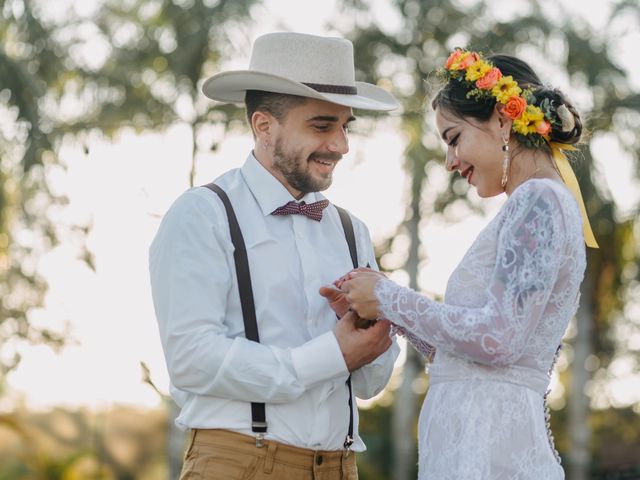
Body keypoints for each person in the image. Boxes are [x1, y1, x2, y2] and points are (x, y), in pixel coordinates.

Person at [336, 49, 599, 479]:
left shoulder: (539, 200)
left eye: (454, 137)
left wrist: (387, 297)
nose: (450, 161)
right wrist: (382, 309)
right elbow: (470, 351)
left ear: (501, 119)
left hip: (489, 446)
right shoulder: (532, 203)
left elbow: (498, 339)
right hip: (475, 440)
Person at [149, 32, 400, 480]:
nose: (341, 145)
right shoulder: (203, 214)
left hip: (341, 468)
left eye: (346, 126)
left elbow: (369, 385)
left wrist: (371, 332)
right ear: (264, 126)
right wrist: (331, 354)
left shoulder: (350, 230)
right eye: (323, 126)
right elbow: (191, 357)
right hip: (237, 463)